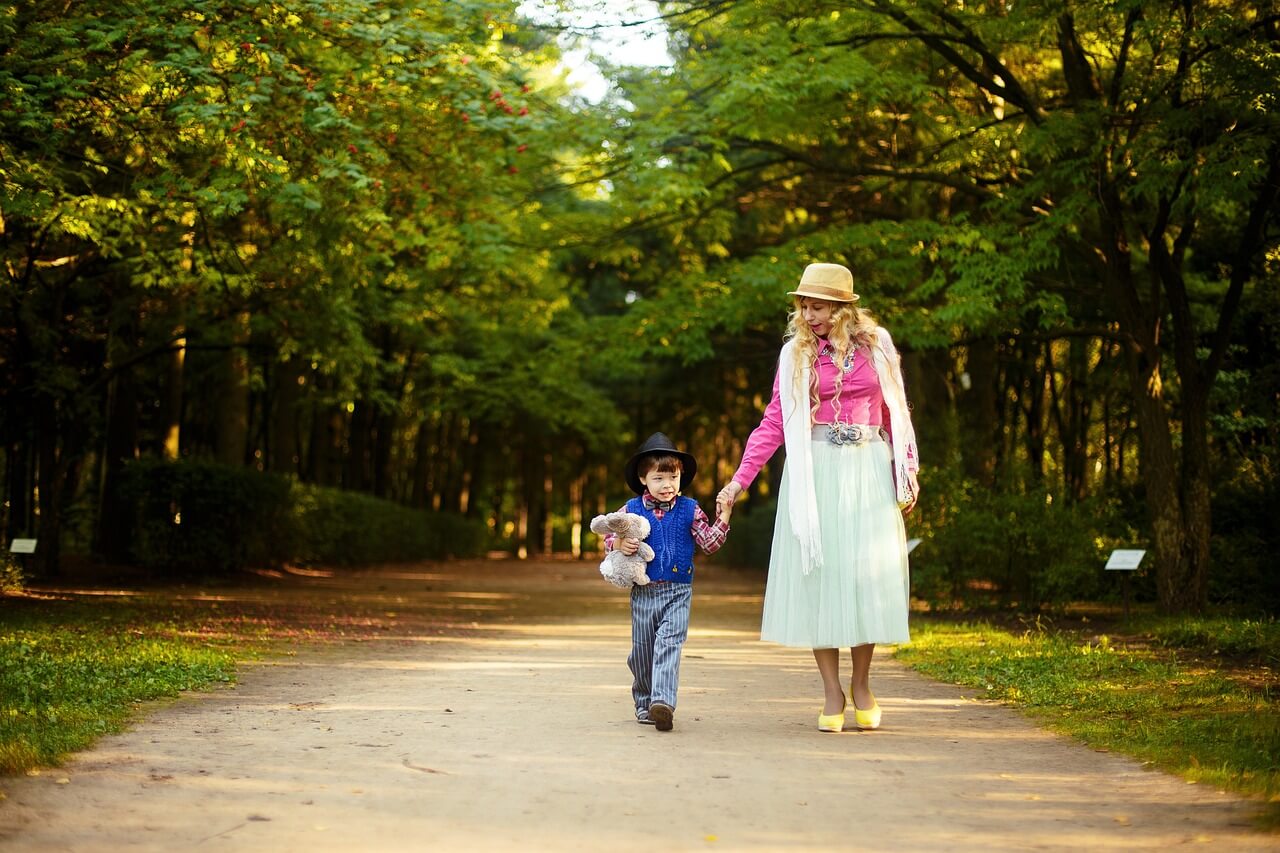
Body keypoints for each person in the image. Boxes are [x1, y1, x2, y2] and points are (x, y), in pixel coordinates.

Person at [717, 262, 919, 733]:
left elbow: (895, 411)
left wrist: (905, 470)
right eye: (804, 305)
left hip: (868, 467)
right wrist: (737, 482)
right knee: (820, 578)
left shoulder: (878, 346)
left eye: (819, 305)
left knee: (863, 577)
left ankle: (863, 682)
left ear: (843, 307)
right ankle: (832, 690)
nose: (809, 314)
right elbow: (774, 421)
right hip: (816, 471)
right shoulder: (796, 355)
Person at [602, 432, 733, 731]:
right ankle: (645, 700)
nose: (667, 485)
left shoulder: (690, 509)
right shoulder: (631, 509)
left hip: (678, 591)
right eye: (659, 478)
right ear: (643, 478)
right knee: (643, 652)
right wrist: (619, 544)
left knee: (669, 644)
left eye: (673, 477)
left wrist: (724, 516)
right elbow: (609, 533)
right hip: (644, 592)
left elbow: (710, 544)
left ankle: (663, 702)